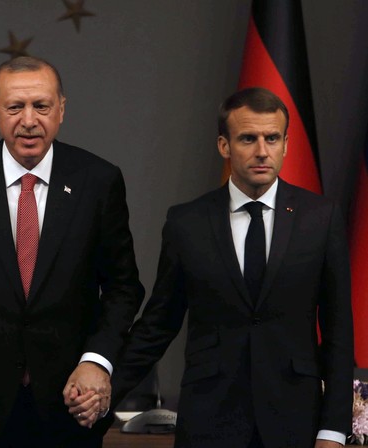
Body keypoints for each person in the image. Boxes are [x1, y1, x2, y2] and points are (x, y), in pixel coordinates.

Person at [0, 56, 145, 447]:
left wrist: (96, 361)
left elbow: (123, 287)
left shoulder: (98, 180)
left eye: (42, 106)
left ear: (62, 110)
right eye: (15, 107)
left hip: (69, 406)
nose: (29, 120)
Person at [111, 87, 353, 448]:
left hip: (295, 422)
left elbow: (338, 333)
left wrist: (333, 430)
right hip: (210, 421)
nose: (261, 151)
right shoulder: (186, 222)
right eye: (247, 138)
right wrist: (104, 393)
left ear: (286, 145)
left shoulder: (320, 218)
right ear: (224, 145)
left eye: (272, 138)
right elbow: (159, 324)